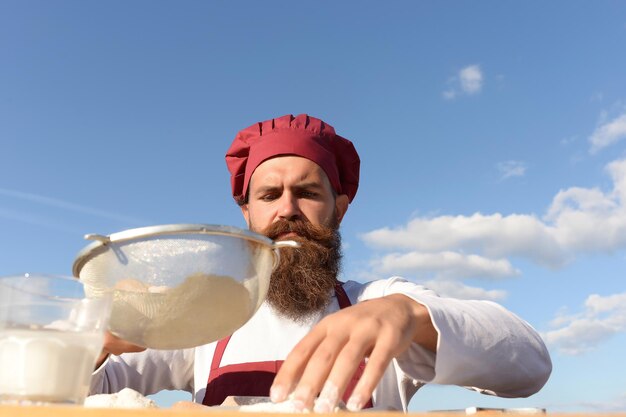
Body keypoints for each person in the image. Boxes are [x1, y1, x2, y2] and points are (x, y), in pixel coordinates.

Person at [90, 114, 552, 412]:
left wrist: (408, 315)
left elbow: (528, 366)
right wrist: (98, 338)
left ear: (340, 208)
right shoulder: (210, 318)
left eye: (308, 193)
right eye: (269, 195)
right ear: (247, 215)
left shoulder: (374, 301)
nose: (287, 210)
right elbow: (81, 392)